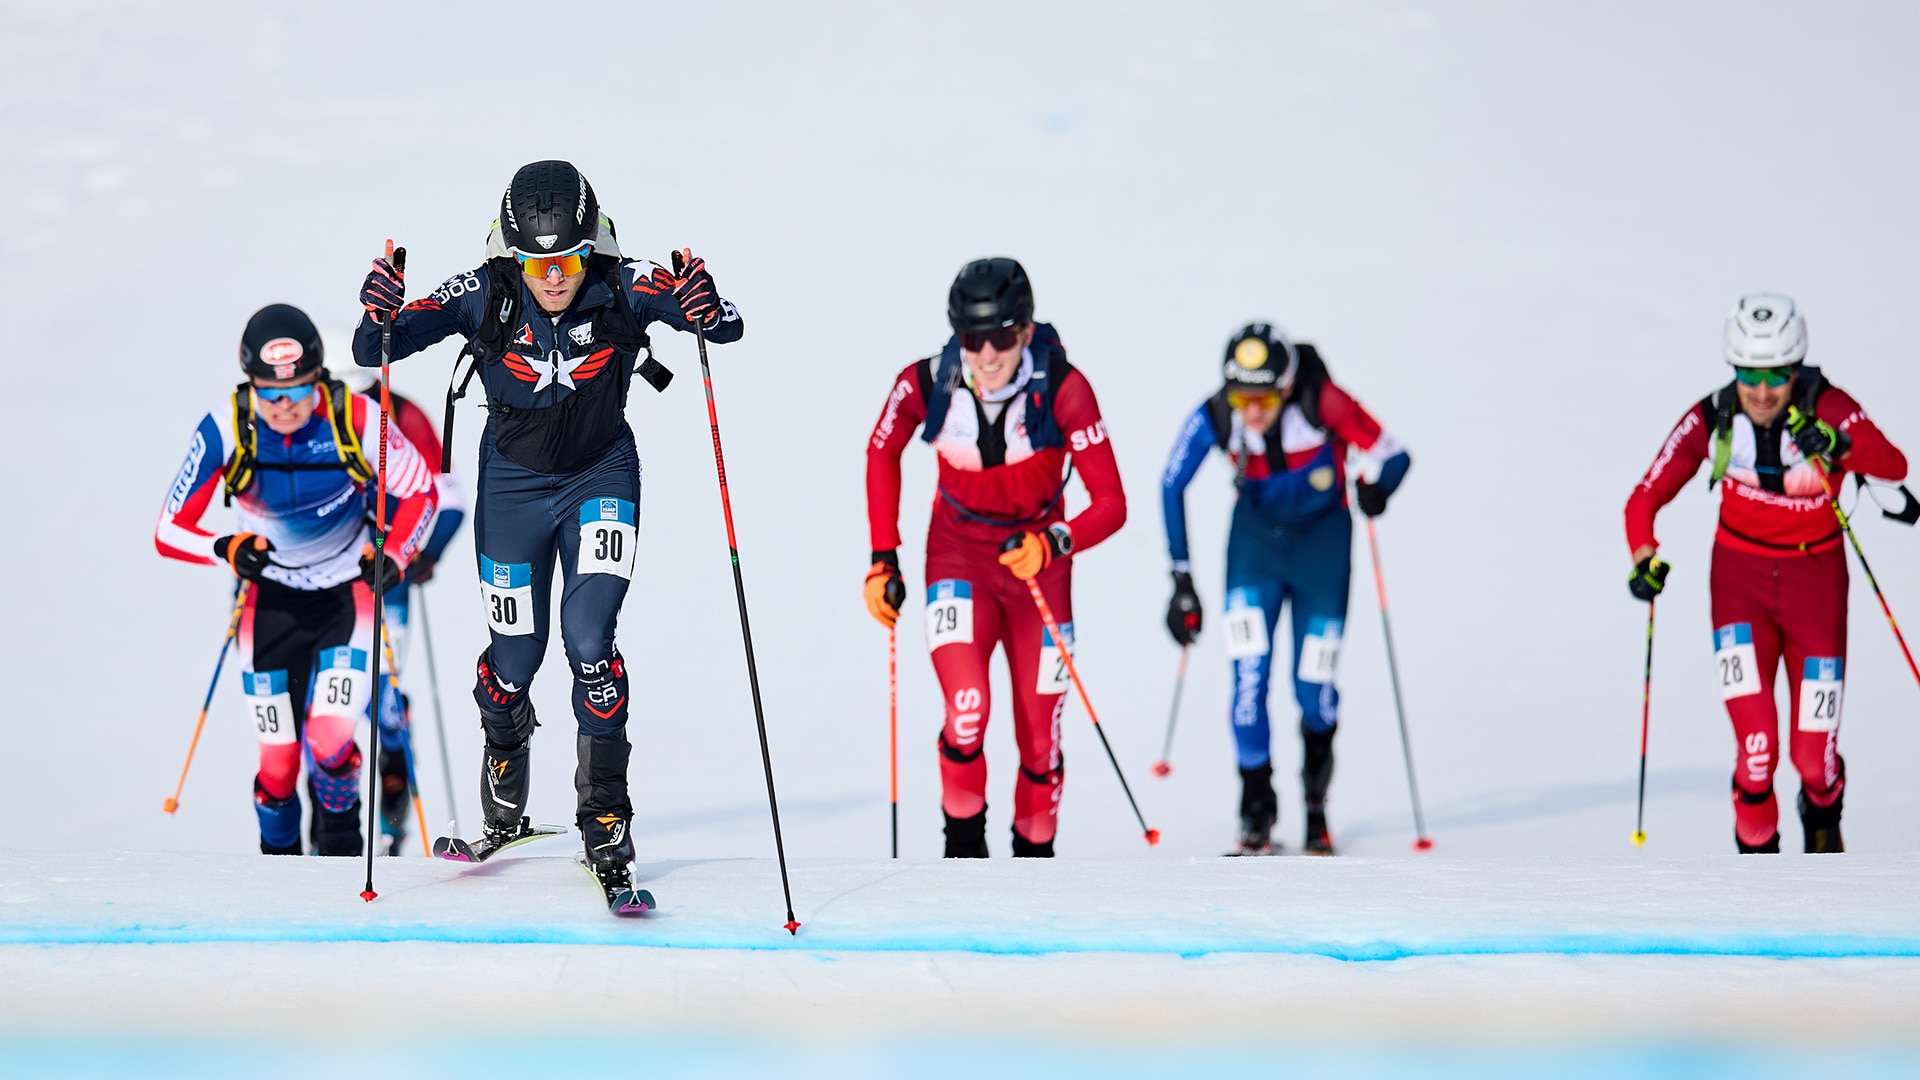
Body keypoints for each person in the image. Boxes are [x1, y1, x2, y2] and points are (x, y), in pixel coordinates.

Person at [353, 159, 743, 898]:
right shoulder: (484, 290)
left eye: (567, 259)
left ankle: (606, 821)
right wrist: (379, 312)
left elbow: (723, 328)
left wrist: (704, 302)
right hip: (512, 486)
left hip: (601, 476)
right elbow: (375, 348)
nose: (554, 277)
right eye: (537, 263)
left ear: (590, 243)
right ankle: (504, 782)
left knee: (591, 643)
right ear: (511, 253)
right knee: (514, 662)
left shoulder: (626, 280)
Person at [864, 257, 1127, 858]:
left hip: (1041, 570)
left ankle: (1035, 863)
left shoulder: (1066, 388)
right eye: (972, 338)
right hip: (958, 558)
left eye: (1002, 337)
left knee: (1040, 739)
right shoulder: (926, 382)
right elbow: (881, 452)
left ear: (1026, 332)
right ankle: (963, 855)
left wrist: (1054, 542)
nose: (986, 355)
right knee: (966, 710)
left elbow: (1112, 503)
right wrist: (884, 557)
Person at [1624, 294, 1907, 853]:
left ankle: (1824, 838)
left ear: (1795, 369)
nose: (1761, 391)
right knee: (1756, 755)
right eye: (1749, 375)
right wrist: (1643, 555)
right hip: (1739, 587)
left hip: (1816, 587)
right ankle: (1760, 890)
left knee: (1814, 758)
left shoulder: (1828, 407)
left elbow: (1893, 464)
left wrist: (1838, 445)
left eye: (1775, 375)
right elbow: (1644, 496)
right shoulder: (1713, 417)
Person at [155, 304, 437, 855]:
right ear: (250, 382)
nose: (284, 405)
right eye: (269, 392)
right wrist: (227, 549)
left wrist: (397, 555)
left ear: (317, 379)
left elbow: (422, 491)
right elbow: (169, 529)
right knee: (279, 764)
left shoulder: (355, 419)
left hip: (346, 599)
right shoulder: (225, 426)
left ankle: (341, 861)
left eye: (298, 390)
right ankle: (278, 875)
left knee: (331, 744)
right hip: (269, 606)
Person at [1160, 323, 1410, 855]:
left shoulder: (1326, 402)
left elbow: (1395, 454)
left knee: (1313, 690)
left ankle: (1316, 808)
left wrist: (1377, 490)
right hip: (1255, 554)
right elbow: (1171, 481)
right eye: (1241, 397)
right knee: (1248, 685)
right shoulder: (1219, 413)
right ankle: (1256, 815)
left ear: (1289, 386)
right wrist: (1182, 578)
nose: (1251, 411)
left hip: (1323, 554)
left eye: (1266, 398)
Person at [321, 357, 468, 854]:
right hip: (321, 582)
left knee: (385, 704)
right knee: (322, 709)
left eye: (366, 391)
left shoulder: (401, 416)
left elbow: (448, 497)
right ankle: (327, 835)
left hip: (386, 579)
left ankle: (391, 826)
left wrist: (425, 553)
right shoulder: (301, 418)